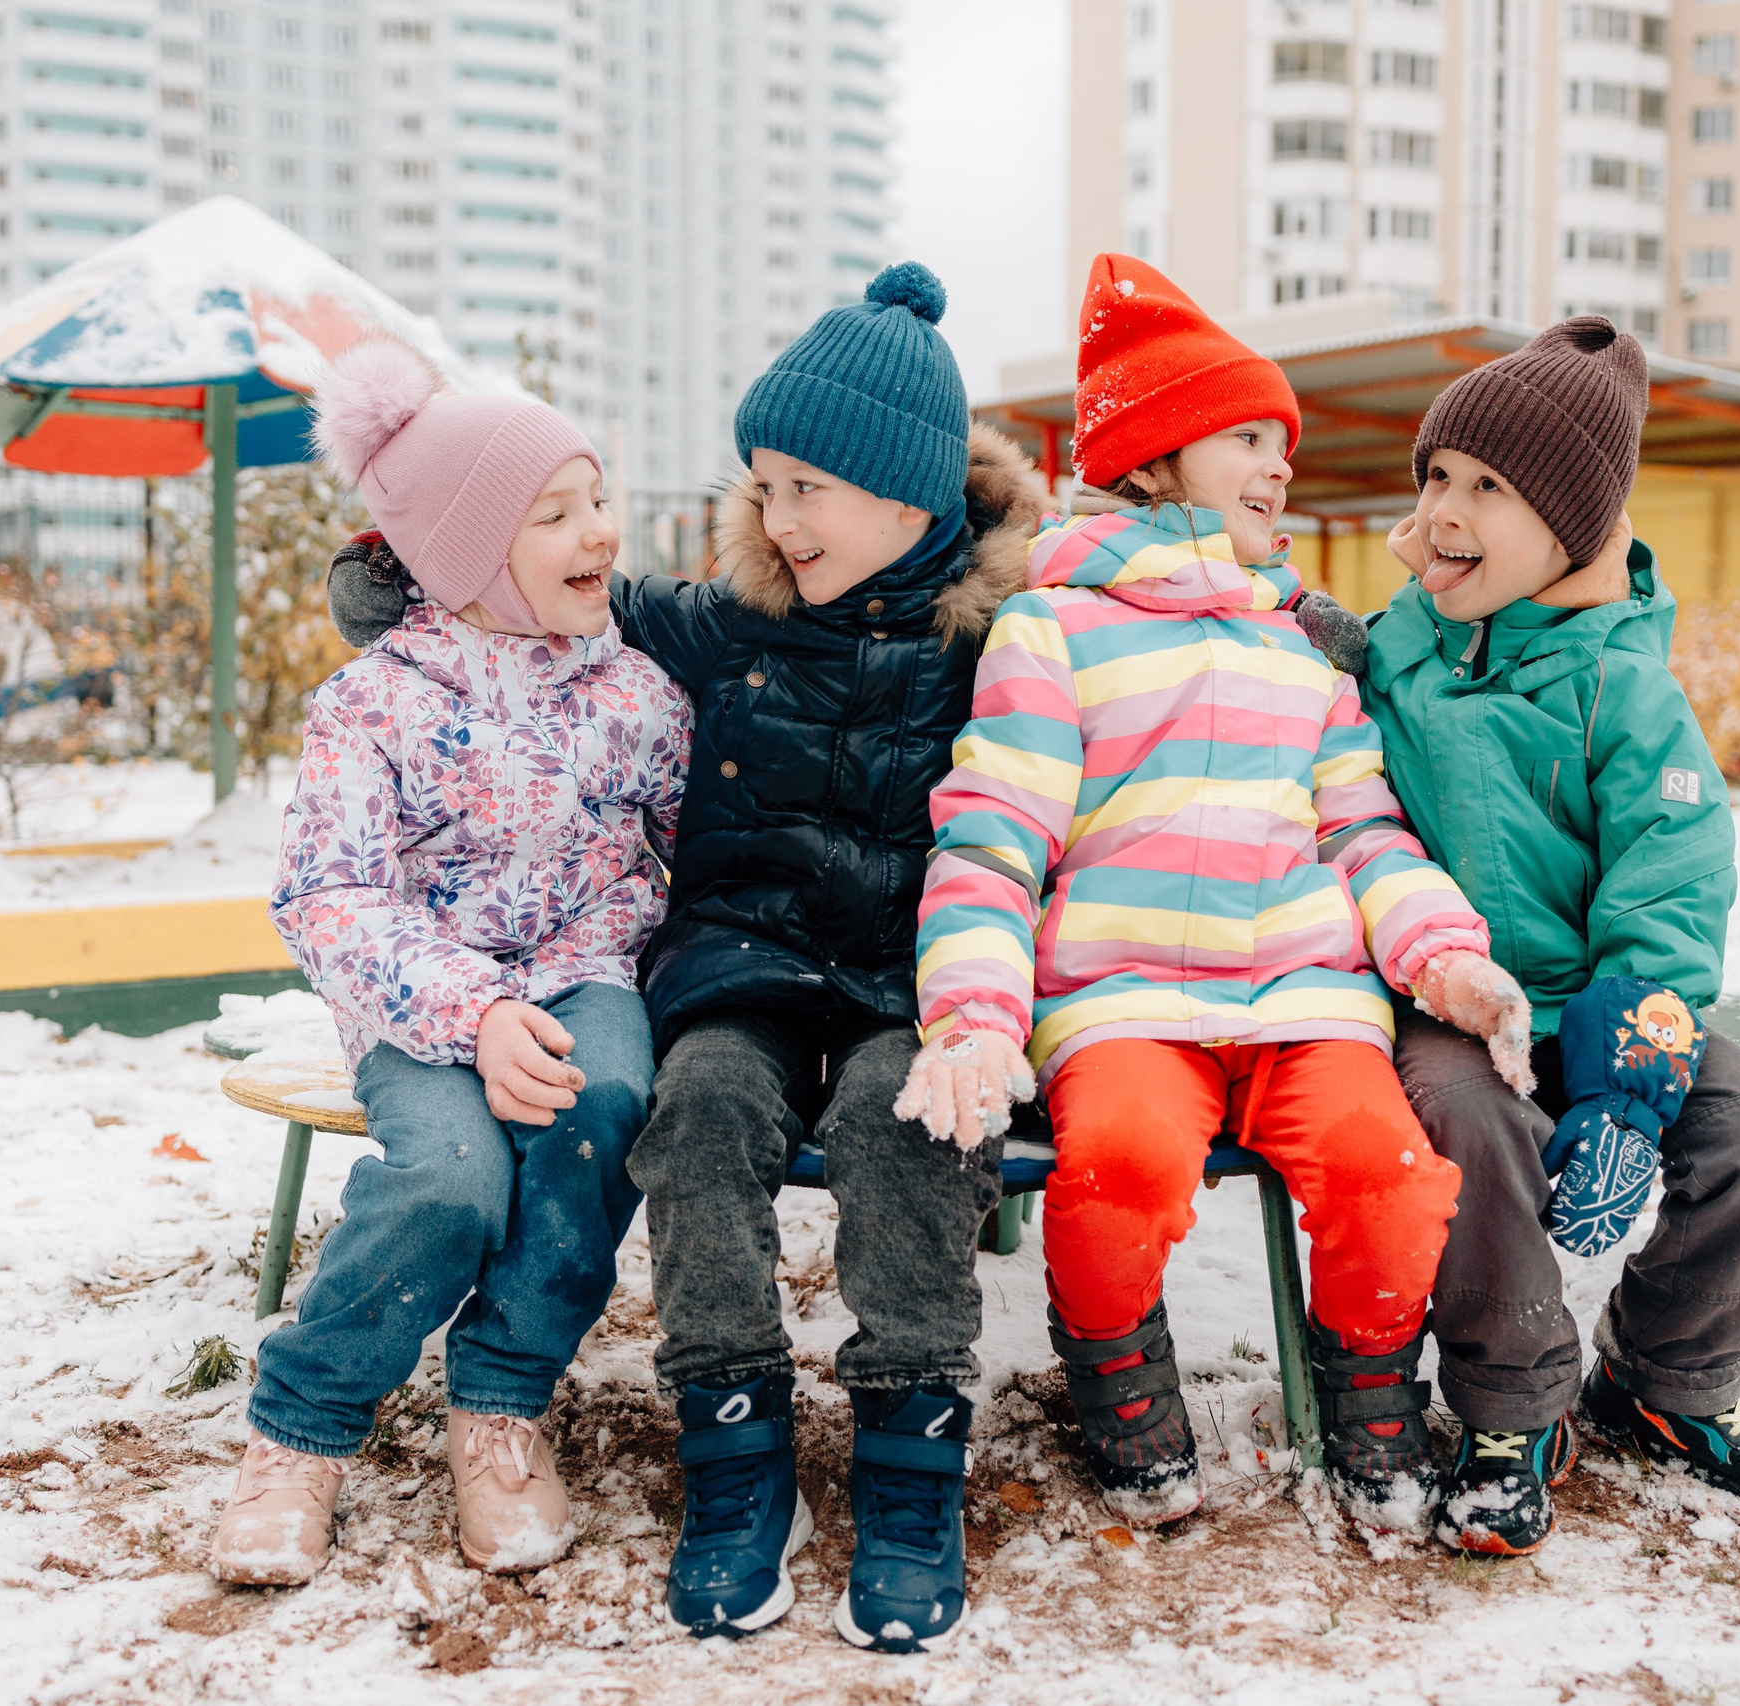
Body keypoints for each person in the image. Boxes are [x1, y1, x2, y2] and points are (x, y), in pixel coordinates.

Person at [906, 254, 1533, 1533]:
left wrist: (1443, 956)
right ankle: (1118, 1370)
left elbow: (1363, 829)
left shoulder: (1301, 647)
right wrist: (972, 1014)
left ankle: (1368, 1381)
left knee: (1387, 1173)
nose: (1276, 468)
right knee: (1118, 1168)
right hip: (1125, 999)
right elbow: (993, 838)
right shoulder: (1054, 627)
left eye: (1282, 449)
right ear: (1156, 456)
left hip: (1304, 997)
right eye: (1248, 437)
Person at [1300, 316, 1740, 1555]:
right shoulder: (1392, 657)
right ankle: (1512, 1406)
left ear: (1570, 529)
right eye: (1437, 475)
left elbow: (1670, 877)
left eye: (1488, 486)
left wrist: (1630, 1080)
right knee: (1472, 1130)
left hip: (1607, 1000)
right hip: (1448, 1000)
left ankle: (1666, 1373)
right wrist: (1291, 633)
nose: (1444, 507)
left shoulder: (1622, 687)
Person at [208, 342, 690, 1586]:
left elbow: (698, 849)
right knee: (452, 1177)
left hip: (582, 968)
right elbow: (325, 893)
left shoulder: (639, 692)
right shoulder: (371, 703)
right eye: (556, 512)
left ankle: (501, 1399)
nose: (600, 529)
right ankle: (303, 1424)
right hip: (420, 995)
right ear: (468, 552)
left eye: (597, 497)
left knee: (603, 1106)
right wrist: (470, 1011)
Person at [613, 264, 1042, 1652]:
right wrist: (417, 576)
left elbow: (1156, 623)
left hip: (911, 987)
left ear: (909, 496)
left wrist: (1302, 628)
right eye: (764, 487)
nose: (777, 517)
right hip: (742, 969)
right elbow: (582, 601)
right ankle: (734, 1446)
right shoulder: (737, 616)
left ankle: (911, 1463)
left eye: (807, 488)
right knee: (699, 1112)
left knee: (903, 1122)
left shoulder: (1005, 639)